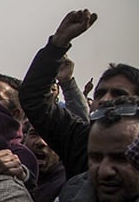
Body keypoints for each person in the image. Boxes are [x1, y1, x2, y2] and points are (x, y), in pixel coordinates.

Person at [20, 9, 139, 179]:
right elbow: (34, 99)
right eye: (100, 93)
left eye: (118, 94)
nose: (105, 100)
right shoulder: (78, 138)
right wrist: (57, 45)